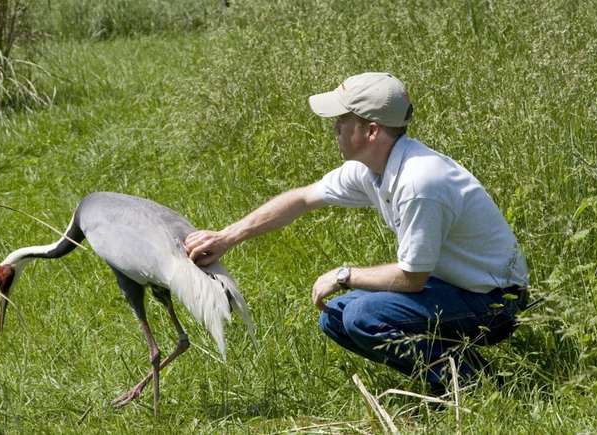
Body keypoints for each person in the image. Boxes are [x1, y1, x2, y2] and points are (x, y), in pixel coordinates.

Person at [184, 72, 529, 393]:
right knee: (336, 318)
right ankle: (452, 373)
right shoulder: (372, 168)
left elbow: (413, 279)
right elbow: (302, 199)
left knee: (363, 317)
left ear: (372, 131)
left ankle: (483, 386)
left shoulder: (419, 182)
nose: (334, 128)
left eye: (342, 120)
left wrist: (344, 274)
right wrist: (226, 238)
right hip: (453, 287)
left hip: (496, 301)